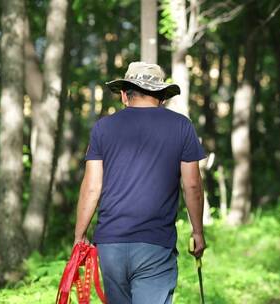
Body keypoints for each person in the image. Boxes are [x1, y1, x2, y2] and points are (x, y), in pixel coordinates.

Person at [73, 61, 207, 304]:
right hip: (155, 244)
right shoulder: (181, 127)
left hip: (110, 244)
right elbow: (193, 186)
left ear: (124, 95)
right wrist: (197, 232)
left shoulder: (103, 128)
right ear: (162, 97)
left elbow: (92, 187)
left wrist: (79, 235)